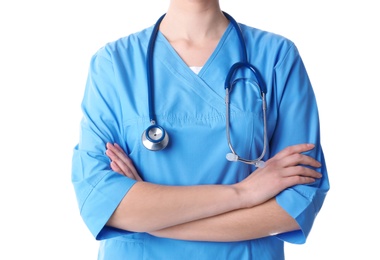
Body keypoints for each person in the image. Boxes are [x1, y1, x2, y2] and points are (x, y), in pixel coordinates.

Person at [71, 0, 330, 259]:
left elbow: (296, 204)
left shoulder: (276, 57)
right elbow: (101, 201)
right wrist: (243, 193)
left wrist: (153, 221)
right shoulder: (115, 63)